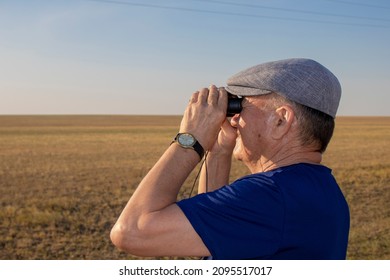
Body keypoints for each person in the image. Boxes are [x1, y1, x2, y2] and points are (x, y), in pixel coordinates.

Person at [110, 58, 350, 260]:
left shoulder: (270, 196)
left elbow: (132, 231)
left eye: (241, 107)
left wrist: (190, 139)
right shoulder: (322, 191)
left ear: (280, 120)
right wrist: (218, 150)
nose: (233, 119)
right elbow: (209, 237)